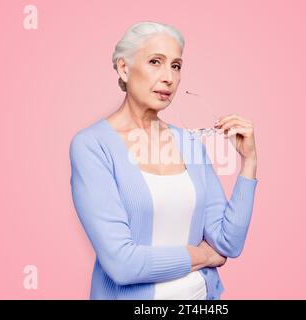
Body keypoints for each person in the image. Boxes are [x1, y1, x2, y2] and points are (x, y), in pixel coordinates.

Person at [69, 21, 258, 300]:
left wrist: (249, 163)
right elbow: (123, 264)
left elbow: (228, 243)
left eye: (176, 65)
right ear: (124, 68)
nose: (168, 77)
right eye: (155, 62)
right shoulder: (92, 146)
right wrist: (203, 255)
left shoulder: (189, 143)